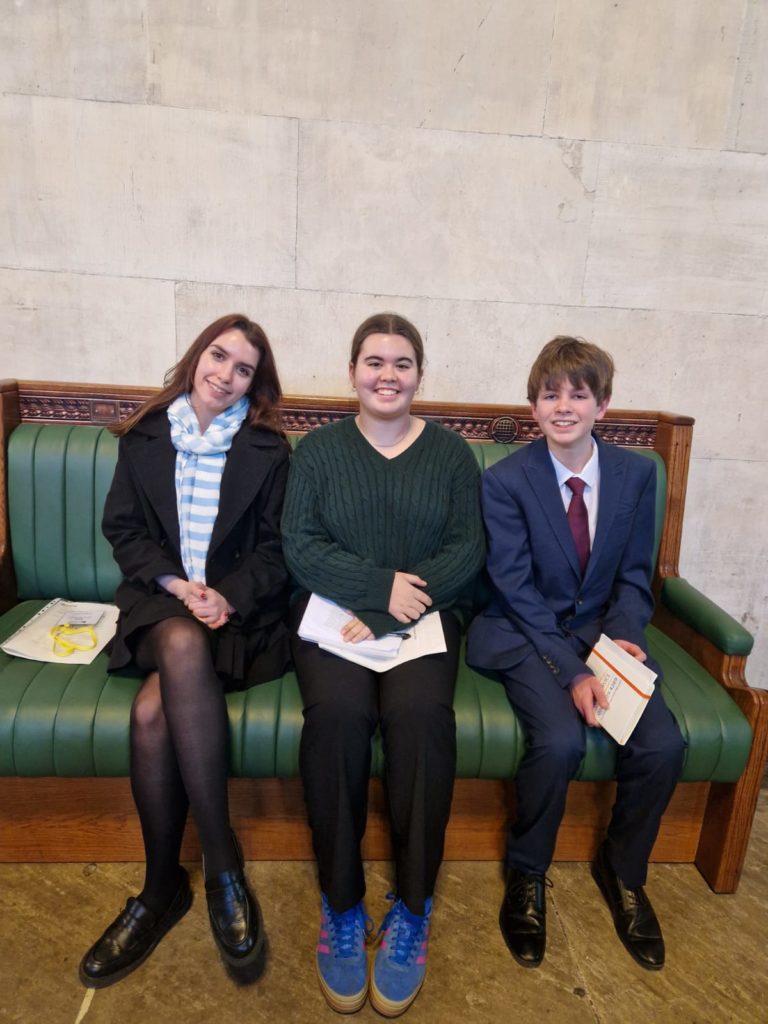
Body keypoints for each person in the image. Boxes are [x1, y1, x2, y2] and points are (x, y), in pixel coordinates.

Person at [282, 313, 485, 1017]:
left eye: (401, 363)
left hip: (425, 622)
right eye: (374, 361)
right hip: (334, 620)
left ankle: (412, 907)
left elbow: (467, 548)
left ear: (419, 375)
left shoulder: (453, 456)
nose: (387, 375)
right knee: (337, 716)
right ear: (352, 372)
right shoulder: (317, 452)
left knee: (421, 717)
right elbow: (299, 544)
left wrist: (405, 599)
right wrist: (375, 591)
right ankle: (341, 905)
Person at [80, 314, 291, 988]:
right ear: (197, 355)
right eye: (218, 356)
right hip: (160, 605)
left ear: (254, 385)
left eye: (243, 369)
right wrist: (176, 584)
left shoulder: (267, 450)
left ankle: (161, 889)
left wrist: (224, 595)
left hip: (235, 619)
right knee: (176, 634)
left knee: (150, 717)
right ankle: (222, 863)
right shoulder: (144, 436)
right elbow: (123, 529)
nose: (224, 374)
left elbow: (275, 552)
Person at [467, 335, 684, 972]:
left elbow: (637, 575)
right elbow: (514, 587)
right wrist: (575, 671)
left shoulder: (637, 474)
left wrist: (623, 637)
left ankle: (623, 873)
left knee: (663, 744)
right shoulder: (505, 480)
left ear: (603, 405)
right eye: (549, 395)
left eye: (578, 395)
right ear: (533, 406)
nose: (563, 406)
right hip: (523, 632)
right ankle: (527, 875)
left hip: (601, 636)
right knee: (559, 741)